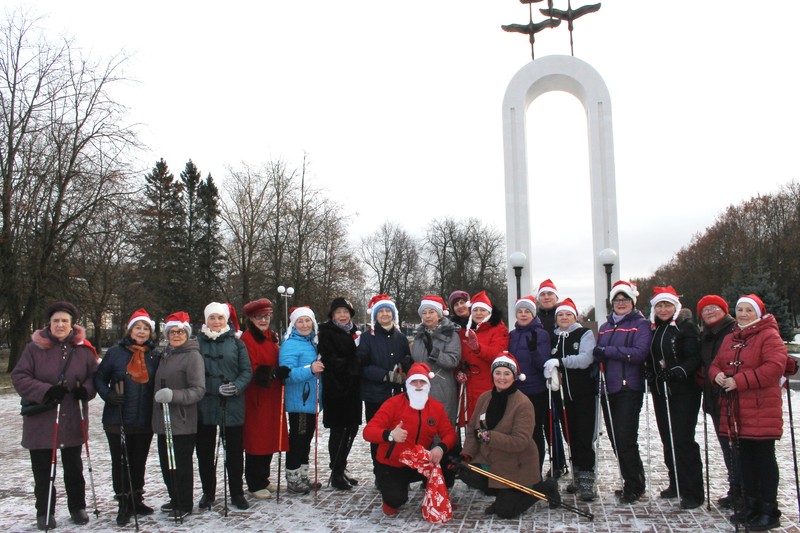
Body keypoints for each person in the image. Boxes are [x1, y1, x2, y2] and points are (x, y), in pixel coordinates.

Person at [12, 301, 99, 530]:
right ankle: (45, 510)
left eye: (65, 321)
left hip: (72, 418)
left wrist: (86, 390)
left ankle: (77, 507)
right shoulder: (34, 349)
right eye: (56, 321)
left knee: (73, 467)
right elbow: (20, 376)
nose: (60, 325)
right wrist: (46, 390)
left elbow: (94, 376)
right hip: (42, 420)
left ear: (72, 325)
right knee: (43, 470)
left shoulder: (83, 349)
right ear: (48, 324)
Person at [710, 294, 790, 531]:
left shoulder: (769, 335)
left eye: (749, 310)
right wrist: (717, 375)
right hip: (736, 410)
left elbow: (774, 368)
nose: (744, 314)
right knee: (744, 459)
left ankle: (769, 510)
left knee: (763, 460)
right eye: (740, 310)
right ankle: (751, 504)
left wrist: (739, 381)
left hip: (760, 407)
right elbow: (717, 362)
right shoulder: (731, 337)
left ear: (759, 313)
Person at [458, 353, 559, 518]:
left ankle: (544, 488)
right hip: (493, 458)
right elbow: (472, 430)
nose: (501, 378)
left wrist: (488, 436)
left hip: (517, 462)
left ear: (515, 376)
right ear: (492, 375)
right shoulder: (485, 398)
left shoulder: (523, 403)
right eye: (497, 373)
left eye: (507, 373)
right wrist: (466, 455)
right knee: (468, 473)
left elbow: (520, 441)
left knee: (506, 512)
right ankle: (501, 494)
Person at [362, 362, 457, 516]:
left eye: (422, 382)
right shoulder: (392, 404)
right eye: (414, 381)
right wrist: (390, 434)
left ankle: (437, 492)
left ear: (428, 384)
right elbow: (368, 432)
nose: (418, 385)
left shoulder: (435, 407)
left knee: (452, 455)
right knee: (395, 501)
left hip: (420, 461)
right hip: (393, 464)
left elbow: (450, 434)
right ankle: (393, 490)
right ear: (407, 383)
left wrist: (440, 447)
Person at [94, 308, 160, 525]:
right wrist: (108, 395)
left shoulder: (154, 355)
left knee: (139, 461)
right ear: (130, 330)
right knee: (121, 462)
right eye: (137, 328)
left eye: (146, 329)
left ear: (150, 333)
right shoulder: (115, 353)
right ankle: (123, 502)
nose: (141, 332)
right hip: (117, 418)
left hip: (144, 419)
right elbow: (100, 379)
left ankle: (136, 499)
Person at [643, 287, 704, 509]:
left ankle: (693, 491)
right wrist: (649, 370)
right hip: (662, 390)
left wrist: (680, 370)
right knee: (668, 438)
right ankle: (676, 481)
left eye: (667, 305)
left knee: (683, 439)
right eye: (659, 306)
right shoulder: (656, 329)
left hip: (683, 392)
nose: (663, 309)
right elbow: (652, 355)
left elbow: (694, 356)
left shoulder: (685, 328)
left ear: (675, 306)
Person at [593, 280, 651, 503]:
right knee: (616, 438)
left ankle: (635, 485)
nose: (620, 303)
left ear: (632, 301)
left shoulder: (640, 324)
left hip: (629, 387)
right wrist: (599, 354)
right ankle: (631, 480)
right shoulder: (606, 326)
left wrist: (609, 350)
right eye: (617, 300)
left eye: (625, 299)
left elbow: (638, 353)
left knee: (626, 438)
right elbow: (600, 352)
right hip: (609, 388)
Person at [196, 302, 253, 510]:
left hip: (232, 403)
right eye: (212, 318)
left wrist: (235, 387)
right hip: (205, 403)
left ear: (226, 320)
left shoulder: (237, 343)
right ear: (206, 320)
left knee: (235, 452)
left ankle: (237, 492)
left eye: (220, 318)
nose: (216, 322)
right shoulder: (197, 343)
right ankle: (208, 493)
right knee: (205, 451)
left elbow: (246, 371)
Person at [151, 311, 205, 520]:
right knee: (166, 463)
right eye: (172, 332)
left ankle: (184, 503)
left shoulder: (193, 356)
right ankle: (175, 497)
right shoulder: (165, 354)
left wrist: (174, 395)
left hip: (182, 419)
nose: (176, 335)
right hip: (163, 419)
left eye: (180, 331)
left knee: (180, 464)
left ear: (187, 333)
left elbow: (198, 390)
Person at [545, 297, 598, 500]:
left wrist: (560, 361)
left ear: (575, 316)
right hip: (561, 395)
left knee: (584, 437)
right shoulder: (554, 336)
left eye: (568, 314)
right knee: (570, 435)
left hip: (582, 393)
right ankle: (577, 476)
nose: (564, 317)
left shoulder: (583, 333)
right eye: (560, 315)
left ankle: (587, 481)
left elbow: (586, 359)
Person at [240, 298, 288, 499]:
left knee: (270, 437)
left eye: (266, 316)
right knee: (256, 440)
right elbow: (250, 367)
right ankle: (254, 482)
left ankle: (264, 478)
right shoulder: (247, 339)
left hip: (273, 396)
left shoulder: (271, 337)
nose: (263, 320)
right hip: (257, 396)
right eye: (258, 317)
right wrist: (273, 374)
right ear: (251, 319)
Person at [507, 295, 558, 476]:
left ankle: (535, 470)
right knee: (516, 431)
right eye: (520, 312)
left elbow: (544, 363)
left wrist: (534, 351)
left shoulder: (541, 334)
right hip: (515, 391)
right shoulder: (511, 335)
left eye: (527, 311)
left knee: (535, 431)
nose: (523, 315)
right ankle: (518, 468)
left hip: (536, 390)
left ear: (533, 314)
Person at [358, 294, 411, 467]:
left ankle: (396, 467)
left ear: (393, 314)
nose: (385, 314)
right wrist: (385, 375)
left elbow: (407, 359)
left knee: (398, 431)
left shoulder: (401, 338)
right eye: (381, 312)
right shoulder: (367, 338)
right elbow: (362, 365)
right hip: (375, 394)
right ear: (375, 316)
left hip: (396, 395)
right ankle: (379, 470)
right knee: (378, 433)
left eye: (388, 311)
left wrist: (404, 367)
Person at [696, 294, 738, 508]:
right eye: (705, 309)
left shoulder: (734, 330)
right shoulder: (707, 335)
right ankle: (736, 488)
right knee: (727, 446)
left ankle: (746, 491)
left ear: (724, 310)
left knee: (737, 447)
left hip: (733, 397)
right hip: (714, 397)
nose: (709, 312)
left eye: (714, 308)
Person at [318, 297, 362, 490]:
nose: (342, 316)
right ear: (332, 315)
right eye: (338, 312)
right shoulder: (327, 332)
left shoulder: (355, 332)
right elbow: (330, 359)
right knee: (339, 431)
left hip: (352, 390)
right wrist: (356, 364)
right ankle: (335, 471)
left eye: (345, 312)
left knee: (351, 429)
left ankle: (341, 466)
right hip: (336, 390)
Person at [279, 306, 324, 494]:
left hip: (311, 400)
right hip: (300, 401)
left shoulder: (312, 342)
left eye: (307, 321)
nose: (304, 325)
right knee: (298, 439)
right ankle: (293, 477)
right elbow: (286, 375)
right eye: (300, 321)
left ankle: (303, 474)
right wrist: (310, 369)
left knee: (306, 439)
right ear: (293, 324)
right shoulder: (290, 344)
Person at [459, 291, 510, 423]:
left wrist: (478, 349)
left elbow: (498, 354)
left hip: (488, 381)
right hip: (469, 383)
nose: (479, 313)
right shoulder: (465, 331)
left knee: (487, 419)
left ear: (489, 312)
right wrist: (458, 371)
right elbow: (458, 355)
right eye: (475, 310)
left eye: (482, 310)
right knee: (472, 420)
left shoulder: (498, 329)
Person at [411, 295, 462, 425]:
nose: (427, 316)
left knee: (441, 427)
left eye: (431, 312)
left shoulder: (451, 335)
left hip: (441, 388)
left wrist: (434, 353)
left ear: (439, 314)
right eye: (424, 313)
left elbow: (453, 360)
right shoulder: (418, 336)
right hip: (420, 388)